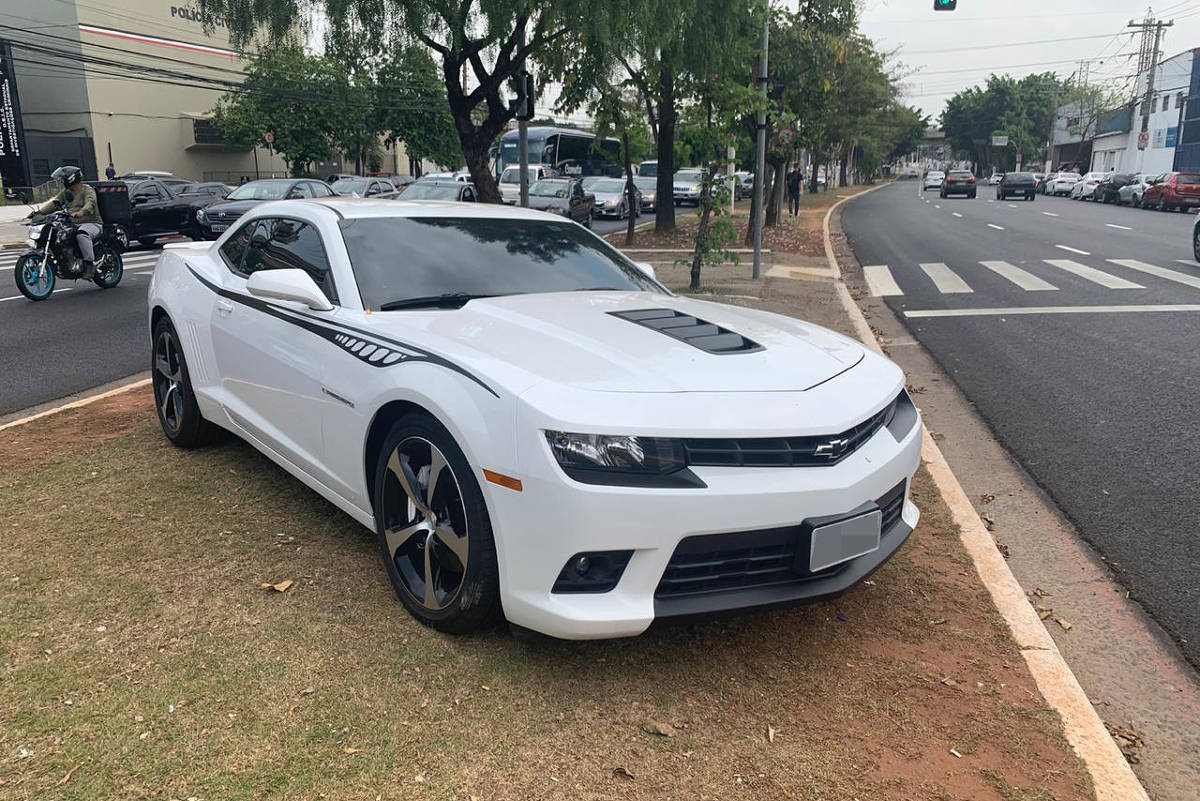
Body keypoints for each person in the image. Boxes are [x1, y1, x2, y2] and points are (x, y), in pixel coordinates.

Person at [28, 166, 103, 279]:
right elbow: (54, 204)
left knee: (82, 234)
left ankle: (89, 265)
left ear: (71, 178)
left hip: (91, 223)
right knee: (58, 234)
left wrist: (82, 211)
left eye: (62, 179)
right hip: (73, 223)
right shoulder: (66, 192)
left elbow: (90, 203)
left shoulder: (88, 190)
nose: (61, 181)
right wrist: (38, 213)